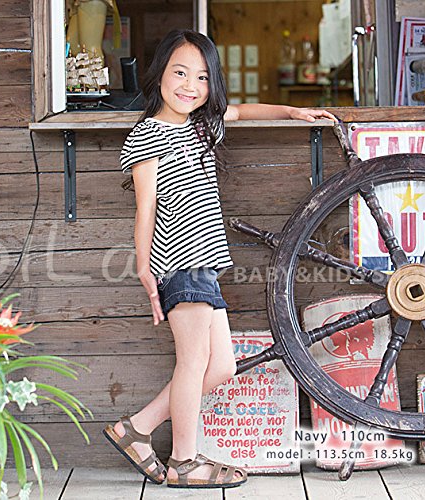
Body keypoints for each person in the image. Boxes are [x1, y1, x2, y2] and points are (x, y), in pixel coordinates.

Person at [104, 29, 336, 489]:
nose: (190, 85)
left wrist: (292, 111)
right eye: (180, 73)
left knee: (222, 366)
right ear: (159, 74)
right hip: (178, 262)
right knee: (192, 363)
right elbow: (144, 212)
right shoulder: (147, 135)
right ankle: (183, 461)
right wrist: (147, 274)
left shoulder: (200, 125)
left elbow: (242, 110)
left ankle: (136, 429)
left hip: (203, 266)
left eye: (202, 77)